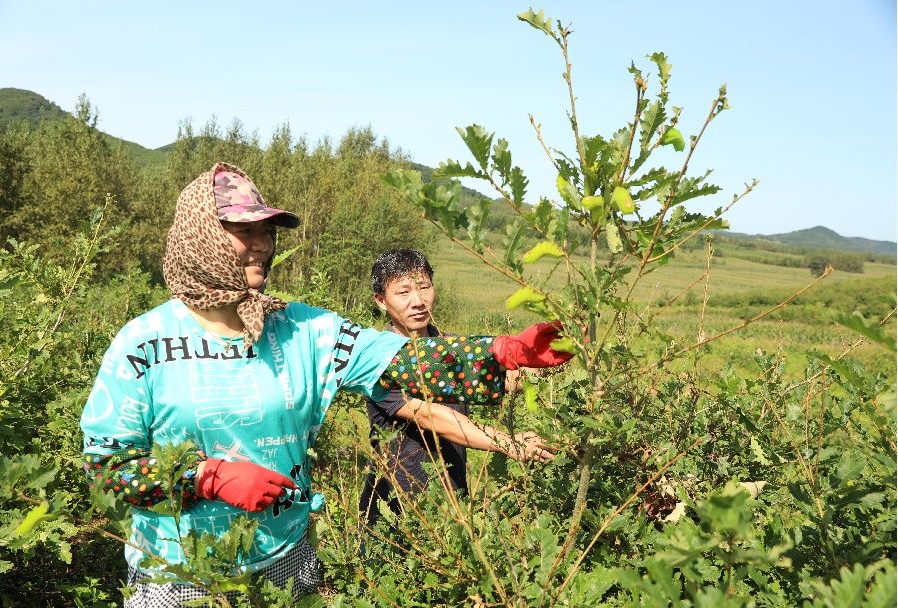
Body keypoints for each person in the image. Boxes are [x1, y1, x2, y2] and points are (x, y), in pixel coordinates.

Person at [79, 162, 573, 606]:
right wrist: (206, 479)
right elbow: (106, 467)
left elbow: (397, 359)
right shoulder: (143, 343)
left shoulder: (303, 331)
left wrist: (498, 351)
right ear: (200, 235)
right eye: (242, 229)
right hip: (181, 575)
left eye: (267, 231)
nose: (261, 244)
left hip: (284, 561)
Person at [359, 249, 555, 527]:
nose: (418, 301)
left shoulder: (453, 348)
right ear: (381, 300)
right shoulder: (377, 360)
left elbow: (507, 378)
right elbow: (433, 417)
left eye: (424, 287)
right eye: (403, 293)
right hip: (396, 507)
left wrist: (553, 353)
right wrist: (508, 443)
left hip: (452, 501)